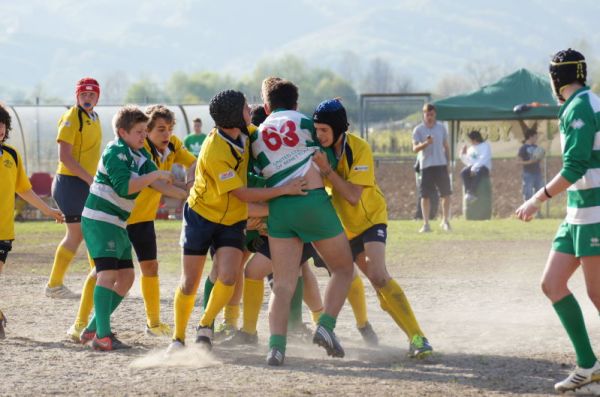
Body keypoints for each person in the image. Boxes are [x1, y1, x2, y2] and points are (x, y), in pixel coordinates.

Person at [168, 90, 306, 354]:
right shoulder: (215, 149)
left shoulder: (246, 132)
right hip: (201, 216)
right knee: (189, 281)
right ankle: (177, 338)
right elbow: (240, 194)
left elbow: (271, 138)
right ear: (235, 116)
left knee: (229, 276)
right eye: (245, 107)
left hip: (231, 219)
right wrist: (282, 191)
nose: (250, 109)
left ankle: (205, 326)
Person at [312, 98, 433, 358]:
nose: (318, 134)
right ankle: (411, 337)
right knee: (377, 284)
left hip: (371, 218)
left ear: (337, 129)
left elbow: (353, 196)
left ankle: (418, 338)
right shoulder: (319, 151)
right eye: (316, 129)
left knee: (378, 275)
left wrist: (326, 171)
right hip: (348, 228)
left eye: (324, 130)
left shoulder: (359, 147)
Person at [251, 77, 354, 366]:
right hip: (312, 202)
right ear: (296, 103)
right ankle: (326, 325)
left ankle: (275, 348)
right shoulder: (308, 123)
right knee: (344, 269)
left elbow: (257, 173)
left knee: (282, 285)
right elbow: (328, 159)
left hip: (279, 209)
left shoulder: (258, 134)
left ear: (267, 106)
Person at [66, 105, 191, 342]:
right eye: (140, 131)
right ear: (123, 132)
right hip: (100, 220)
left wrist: (188, 193)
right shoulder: (116, 151)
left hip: (117, 222)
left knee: (126, 277)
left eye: (145, 131)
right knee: (106, 274)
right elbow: (126, 187)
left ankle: (93, 328)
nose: (144, 136)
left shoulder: (139, 154)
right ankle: (102, 336)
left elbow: (160, 185)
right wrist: (156, 175)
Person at [516, 48, 600, 393]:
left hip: (595, 212)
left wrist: (536, 199)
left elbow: (576, 166)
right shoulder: (578, 104)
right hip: (577, 212)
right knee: (552, 284)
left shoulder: (582, 106)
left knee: (597, 294)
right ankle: (589, 365)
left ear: (556, 78)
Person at [0, 103, 64, 339]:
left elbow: (25, 191)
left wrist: (49, 211)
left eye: (2, 125)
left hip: (4, 229)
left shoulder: (12, 156)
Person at [46, 78, 102, 298]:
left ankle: (99, 279)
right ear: (76, 96)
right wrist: (90, 179)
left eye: (92, 95)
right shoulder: (71, 117)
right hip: (69, 183)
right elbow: (65, 158)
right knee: (77, 234)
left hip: (85, 182)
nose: (87, 99)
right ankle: (54, 285)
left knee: (91, 231)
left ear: (98, 97)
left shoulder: (94, 117)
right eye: (83, 95)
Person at [412, 103, 452, 233]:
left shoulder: (441, 128)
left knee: (446, 194)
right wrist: (425, 143)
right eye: (427, 114)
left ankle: (445, 221)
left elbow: (446, 146)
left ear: (435, 115)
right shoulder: (418, 130)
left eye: (432, 114)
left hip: (440, 165)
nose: (429, 117)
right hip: (426, 166)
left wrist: (448, 163)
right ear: (424, 115)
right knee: (425, 196)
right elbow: (414, 148)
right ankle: (426, 224)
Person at [459, 130, 492, 202]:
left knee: (479, 171)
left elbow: (483, 159)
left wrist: (474, 168)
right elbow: (468, 162)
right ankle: (469, 193)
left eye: (470, 139)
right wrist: (462, 154)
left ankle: (471, 192)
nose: (469, 141)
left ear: (475, 139)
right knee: (464, 172)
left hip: (484, 168)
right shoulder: (471, 148)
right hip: (473, 168)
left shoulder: (485, 146)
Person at [517, 125, 544, 202]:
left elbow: (538, 159)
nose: (537, 138)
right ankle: (527, 213)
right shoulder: (523, 148)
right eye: (535, 137)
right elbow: (518, 162)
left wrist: (540, 158)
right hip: (528, 174)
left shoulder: (536, 146)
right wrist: (529, 162)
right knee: (528, 193)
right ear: (530, 137)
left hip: (537, 173)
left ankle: (539, 212)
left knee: (539, 194)